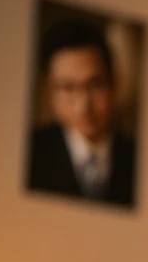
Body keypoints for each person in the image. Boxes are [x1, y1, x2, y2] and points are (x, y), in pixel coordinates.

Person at [26, 19, 137, 208]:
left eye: (95, 85)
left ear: (115, 85)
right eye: (68, 87)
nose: (83, 105)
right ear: (49, 91)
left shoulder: (138, 159)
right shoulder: (30, 153)